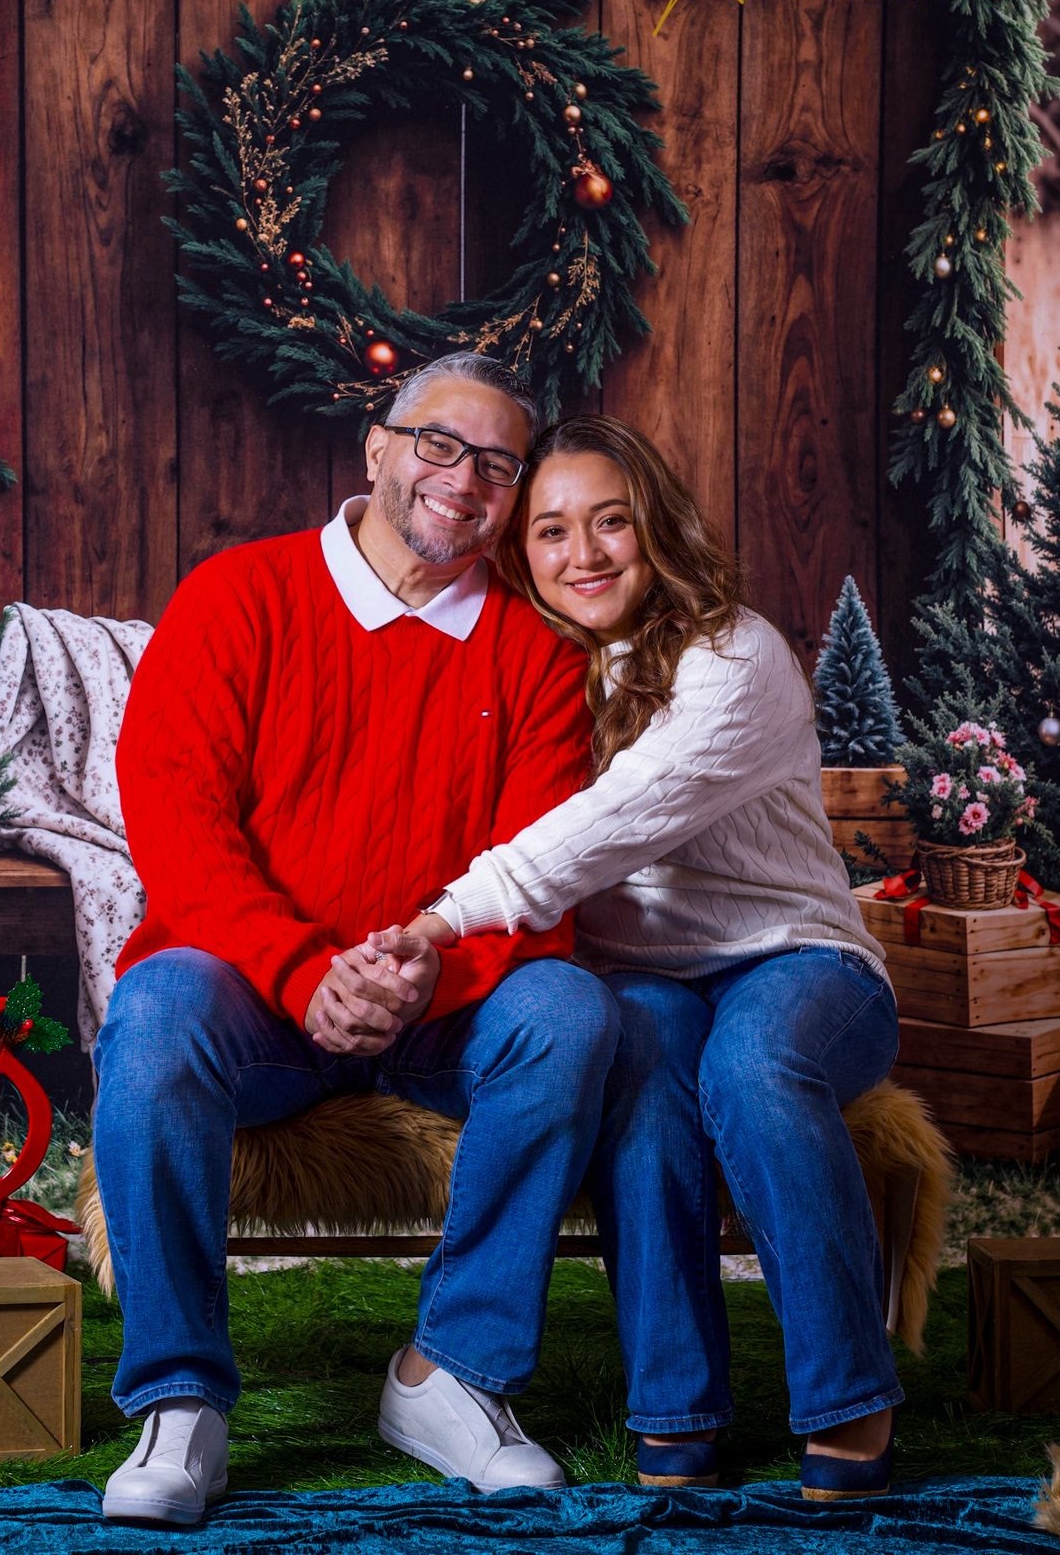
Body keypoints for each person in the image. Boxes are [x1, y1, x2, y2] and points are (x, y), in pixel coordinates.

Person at [93, 356, 622, 1526]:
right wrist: (299, 970)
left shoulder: (535, 651)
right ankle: (181, 1400)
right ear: (375, 447)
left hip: (443, 1008)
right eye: (438, 444)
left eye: (496, 464)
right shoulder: (238, 595)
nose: (463, 478)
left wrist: (429, 969)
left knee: (570, 1011)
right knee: (152, 1008)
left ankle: (452, 1375)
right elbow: (177, 823)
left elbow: (539, 870)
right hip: (255, 997)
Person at [365, 413, 902, 1502]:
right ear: (520, 553)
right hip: (645, 978)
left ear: (653, 527)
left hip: (796, 962)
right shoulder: (525, 670)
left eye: (610, 522)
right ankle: (676, 1408)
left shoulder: (732, 654)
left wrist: (435, 920)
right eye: (552, 531)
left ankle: (850, 1397)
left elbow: (611, 819)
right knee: (646, 1069)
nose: (585, 554)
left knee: (749, 1065)